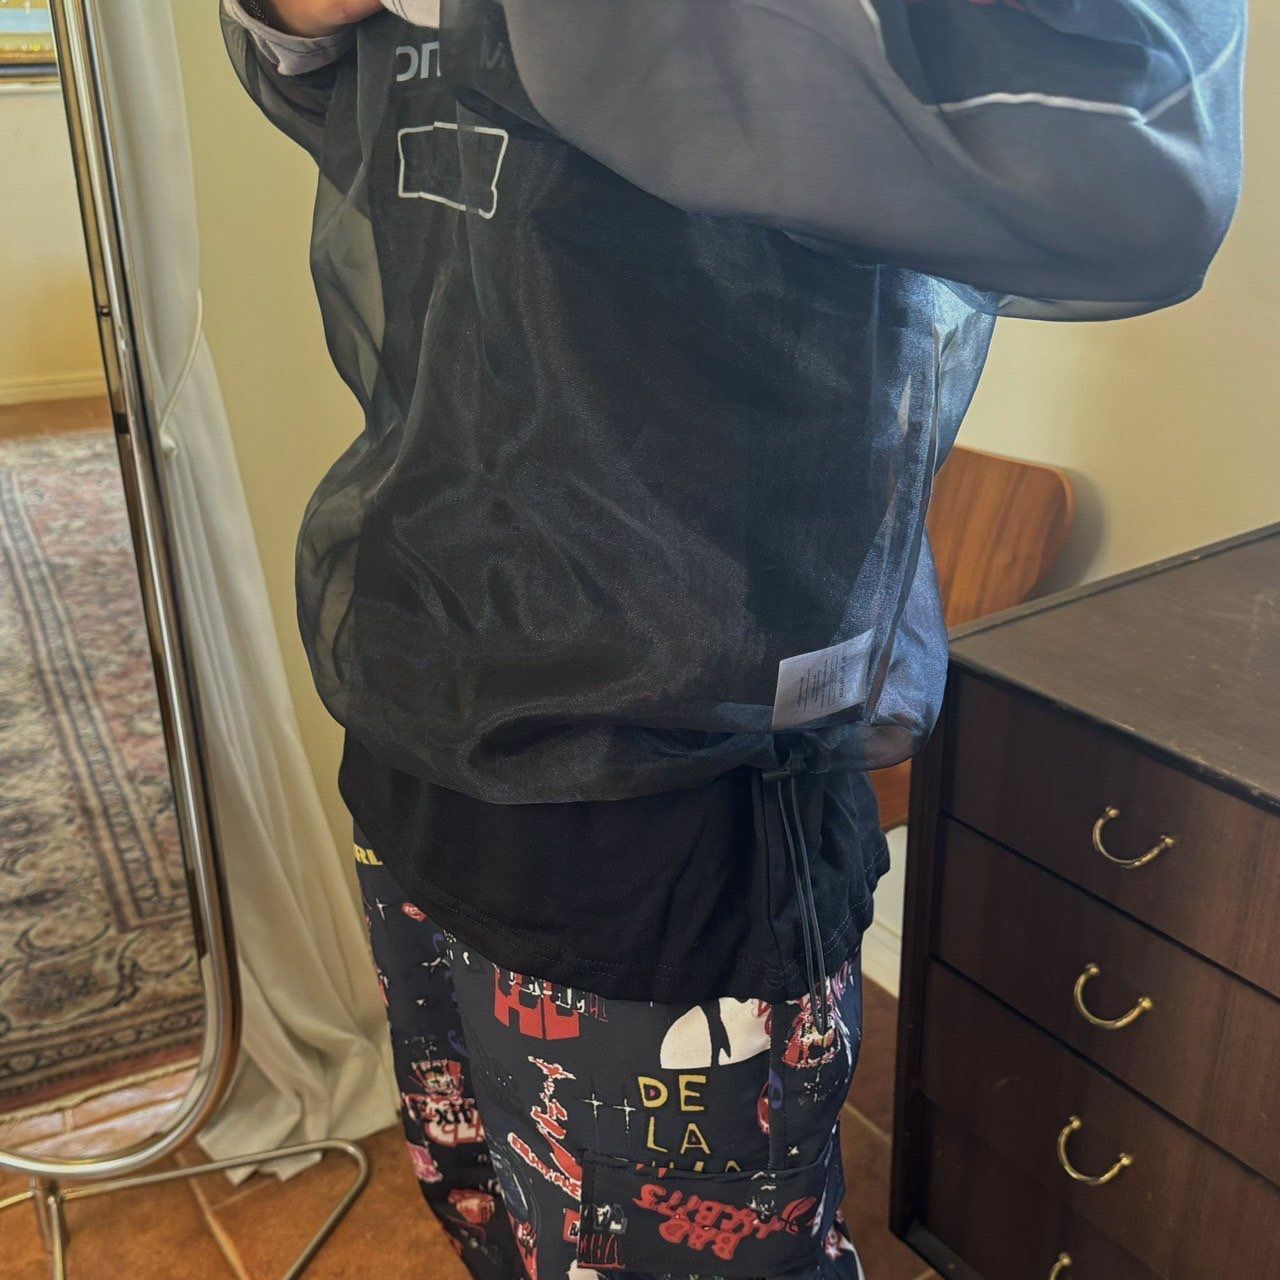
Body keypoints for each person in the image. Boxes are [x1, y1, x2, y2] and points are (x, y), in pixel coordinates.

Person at [220, 2, 1245, 1277]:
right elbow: (353, 107)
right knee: (483, 1203)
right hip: (419, 678)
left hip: (675, 765)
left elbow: (1139, 154)